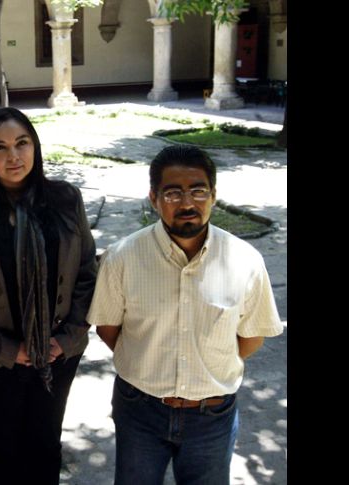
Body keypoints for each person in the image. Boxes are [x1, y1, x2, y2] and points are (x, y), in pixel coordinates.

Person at [87, 144, 283, 485]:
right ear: (153, 198)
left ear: (214, 195)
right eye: (173, 193)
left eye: (198, 191)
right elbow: (109, 329)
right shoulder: (122, 258)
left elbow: (250, 338)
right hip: (139, 409)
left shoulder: (246, 261)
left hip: (212, 415)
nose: (187, 203)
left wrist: (209, 362)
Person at [0, 107, 98, 484]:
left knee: (46, 446)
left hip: (56, 353)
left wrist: (66, 339)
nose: (13, 156)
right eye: (0, 147)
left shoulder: (64, 199)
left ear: (35, 147)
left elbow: (87, 270)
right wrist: (8, 349)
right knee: (2, 453)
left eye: (21, 143)